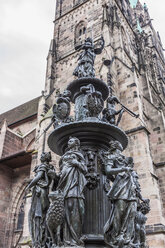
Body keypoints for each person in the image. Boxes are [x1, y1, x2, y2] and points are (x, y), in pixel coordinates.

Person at [103, 141, 138, 247]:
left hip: (129, 186)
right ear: (115, 147)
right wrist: (123, 169)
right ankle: (116, 237)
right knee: (120, 212)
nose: (120, 148)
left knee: (131, 214)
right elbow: (108, 170)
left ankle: (127, 238)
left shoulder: (124, 159)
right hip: (120, 187)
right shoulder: (111, 157)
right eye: (118, 146)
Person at [57, 137, 87, 246]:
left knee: (79, 210)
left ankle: (76, 237)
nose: (68, 142)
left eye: (71, 141)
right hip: (65, 184)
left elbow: (85, 169)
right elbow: (61, 171)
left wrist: (76, 163)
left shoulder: (79, 155)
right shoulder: (64, 157)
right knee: (68, 208)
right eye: (68, 140)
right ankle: (68, 240)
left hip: (76, 184)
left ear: (77, 143)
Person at [25, 152, 56, 248]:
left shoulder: (42, 166)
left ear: (44, 158)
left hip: (39, 193)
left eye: (42, 156)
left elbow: (38, 177)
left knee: (37, 216)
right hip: (44, 193)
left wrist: (29, 186)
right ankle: (43, 238)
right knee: (42, 215)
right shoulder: (48, 167)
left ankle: (39, 241)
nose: (41, 156)